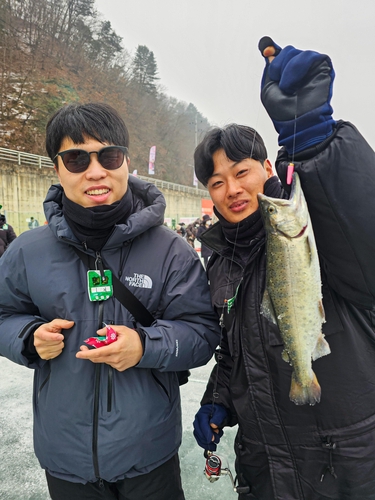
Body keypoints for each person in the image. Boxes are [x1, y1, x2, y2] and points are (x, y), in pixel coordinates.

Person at [0, 102, 220, 500]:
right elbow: (3, 315)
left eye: (109, 156)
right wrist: (28, 336)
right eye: (77, 158)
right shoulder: (26, 251)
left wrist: (144, 346)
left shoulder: (172, 251)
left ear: (127, 163)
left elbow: (202, 334)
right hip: (64, 457)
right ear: (57, 169)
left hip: (150, 457)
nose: (95, 171)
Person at [192, 37, 375, 500]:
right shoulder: (219, 261)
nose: (232, 188)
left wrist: (314, 142)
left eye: (242, 171)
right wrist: (218, 399)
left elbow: (360, 228)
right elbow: (236, 350)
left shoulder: (314, 217)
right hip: (265, 471)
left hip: (344, 470)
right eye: (217, 182)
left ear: (267, 166)